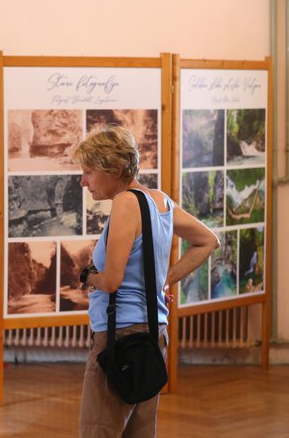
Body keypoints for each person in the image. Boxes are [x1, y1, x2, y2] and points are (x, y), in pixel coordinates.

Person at [72, 125, 219, 437]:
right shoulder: (160, 202)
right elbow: (208, 240)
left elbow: (111, 282)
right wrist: (163, 283)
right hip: (153, 336)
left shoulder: (125, 203)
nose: (84, 181)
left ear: (113, 168)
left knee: (98, 431)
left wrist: (88, 275)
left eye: (88, 171)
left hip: (119, 337)